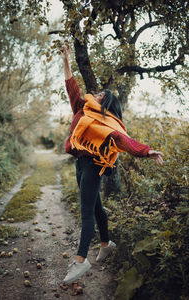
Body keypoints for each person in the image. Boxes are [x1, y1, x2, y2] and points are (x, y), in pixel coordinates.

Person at [61, 44, 164, 284]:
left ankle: (80, 260)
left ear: (106, 102)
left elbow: (123, 140)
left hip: (94, 165)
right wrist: (66, 61)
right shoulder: (83, 109)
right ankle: (106, 244)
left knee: (86, 213)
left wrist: (146, 151)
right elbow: (72, 89)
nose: (95, 94)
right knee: (96, 208)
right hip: (80, 163)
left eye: (100, 95)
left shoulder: (108, 123)